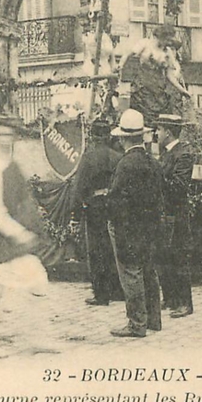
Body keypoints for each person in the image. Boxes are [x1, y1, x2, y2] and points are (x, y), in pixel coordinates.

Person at [0, 116, 56, 358]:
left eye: (9, 135)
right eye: (0, 135)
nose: (5, 139)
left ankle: (40, 338)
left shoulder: (8, 163)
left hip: (8, 235)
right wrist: (19, 234)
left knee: (37, 281)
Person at [107, 109, 164, 337]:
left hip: (128, 229)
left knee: (130, 273)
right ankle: (154, 319)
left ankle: (136, 323)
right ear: (142, 136)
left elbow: (116, 200)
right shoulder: (152, 162)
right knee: (149, 271)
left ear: (122, 138)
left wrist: (115, 224)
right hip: (149, 227)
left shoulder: (125, 165)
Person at [71, 118, 124, 306]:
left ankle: (101, 294)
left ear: (93, 136)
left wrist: (76, 213)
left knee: (96, 250)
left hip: (94, 207)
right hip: (114, 205)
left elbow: (79, 187)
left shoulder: (89, 157)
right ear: (109, 136)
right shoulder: (118, 156)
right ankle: (118, 291)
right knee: (113, 248)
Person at [155, 114, 195, 319]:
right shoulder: (166, 154)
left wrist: (156, 179)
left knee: (179, 258)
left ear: (168, 133)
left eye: (159, 130)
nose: (156, 133)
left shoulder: (183, 155)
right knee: (164, 257)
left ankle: (185, 304)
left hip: (177, 216)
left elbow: (179, 187)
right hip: (165, 214)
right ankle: (170, 298)